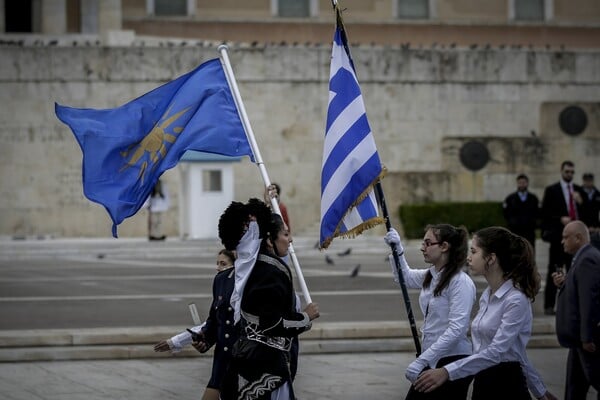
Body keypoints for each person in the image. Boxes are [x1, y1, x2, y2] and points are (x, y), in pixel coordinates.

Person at [413, 227, 557, 400]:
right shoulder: (487, 295)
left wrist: (446, 371)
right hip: (482, 381)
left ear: (491, 258)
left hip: (506, 385)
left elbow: (500, 353)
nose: (468, 257)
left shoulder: (515, 299)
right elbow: (512, 351)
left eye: (474, 251)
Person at [219, 199, 319, 400]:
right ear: (269, 239)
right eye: (285, 234)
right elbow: (271, 323)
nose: (290, 240)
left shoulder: (252, 267)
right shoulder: (271, 271)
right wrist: (305, 318)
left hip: (252, 360)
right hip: (267, 365)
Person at [384, 224, 476, 400]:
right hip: (432, 358)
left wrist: (422, 360)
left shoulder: (459, 282)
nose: (422, 248)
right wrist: (398, 251)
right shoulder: (433, 274)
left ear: (444, 247)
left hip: (451, 359)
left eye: (428, 243)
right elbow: (405, 277)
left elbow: (457, 329)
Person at [153, 249, 237, 400]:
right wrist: (204, 340)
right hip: (223, 359)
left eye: (223, 264)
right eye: (217, 263)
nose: (218, 267)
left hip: (242, 358)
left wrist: (176, 341)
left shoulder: (247, 282)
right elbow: (215, 320)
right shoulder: (220, 281)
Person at [551, 221, 600, 399]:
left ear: (578, 238)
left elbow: (590, 300)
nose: (562, 241)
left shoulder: (587, 259)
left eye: (566, 237)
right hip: (577, 339)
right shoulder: (582, 257)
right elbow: (581, 289)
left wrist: (587, 337)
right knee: (574, 388)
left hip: (585, 339)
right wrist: (564, 283)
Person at [541, 161, 585, 314]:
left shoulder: (579, 190)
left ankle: (573, 305)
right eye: (567, 172)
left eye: (572, 172)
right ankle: (549, 305)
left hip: (576, 240)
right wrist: (560, 218)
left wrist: (581, 202)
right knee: (555, 270)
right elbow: (545, 213)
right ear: (561, 171)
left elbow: (589, 213)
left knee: (574, 271)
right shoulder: (552, 190)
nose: (570, 175)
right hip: (559, 238)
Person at [503, 174, 540, 248]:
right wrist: (512, 222)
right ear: (517, 183)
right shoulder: (510, 198)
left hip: (529, 231)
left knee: (529, 250)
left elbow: (537, 212)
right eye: (520, 183)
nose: (522, 185)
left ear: (527, 183)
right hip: (515, 231)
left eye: (524, 182)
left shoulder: (533, 198)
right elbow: (506, 213)